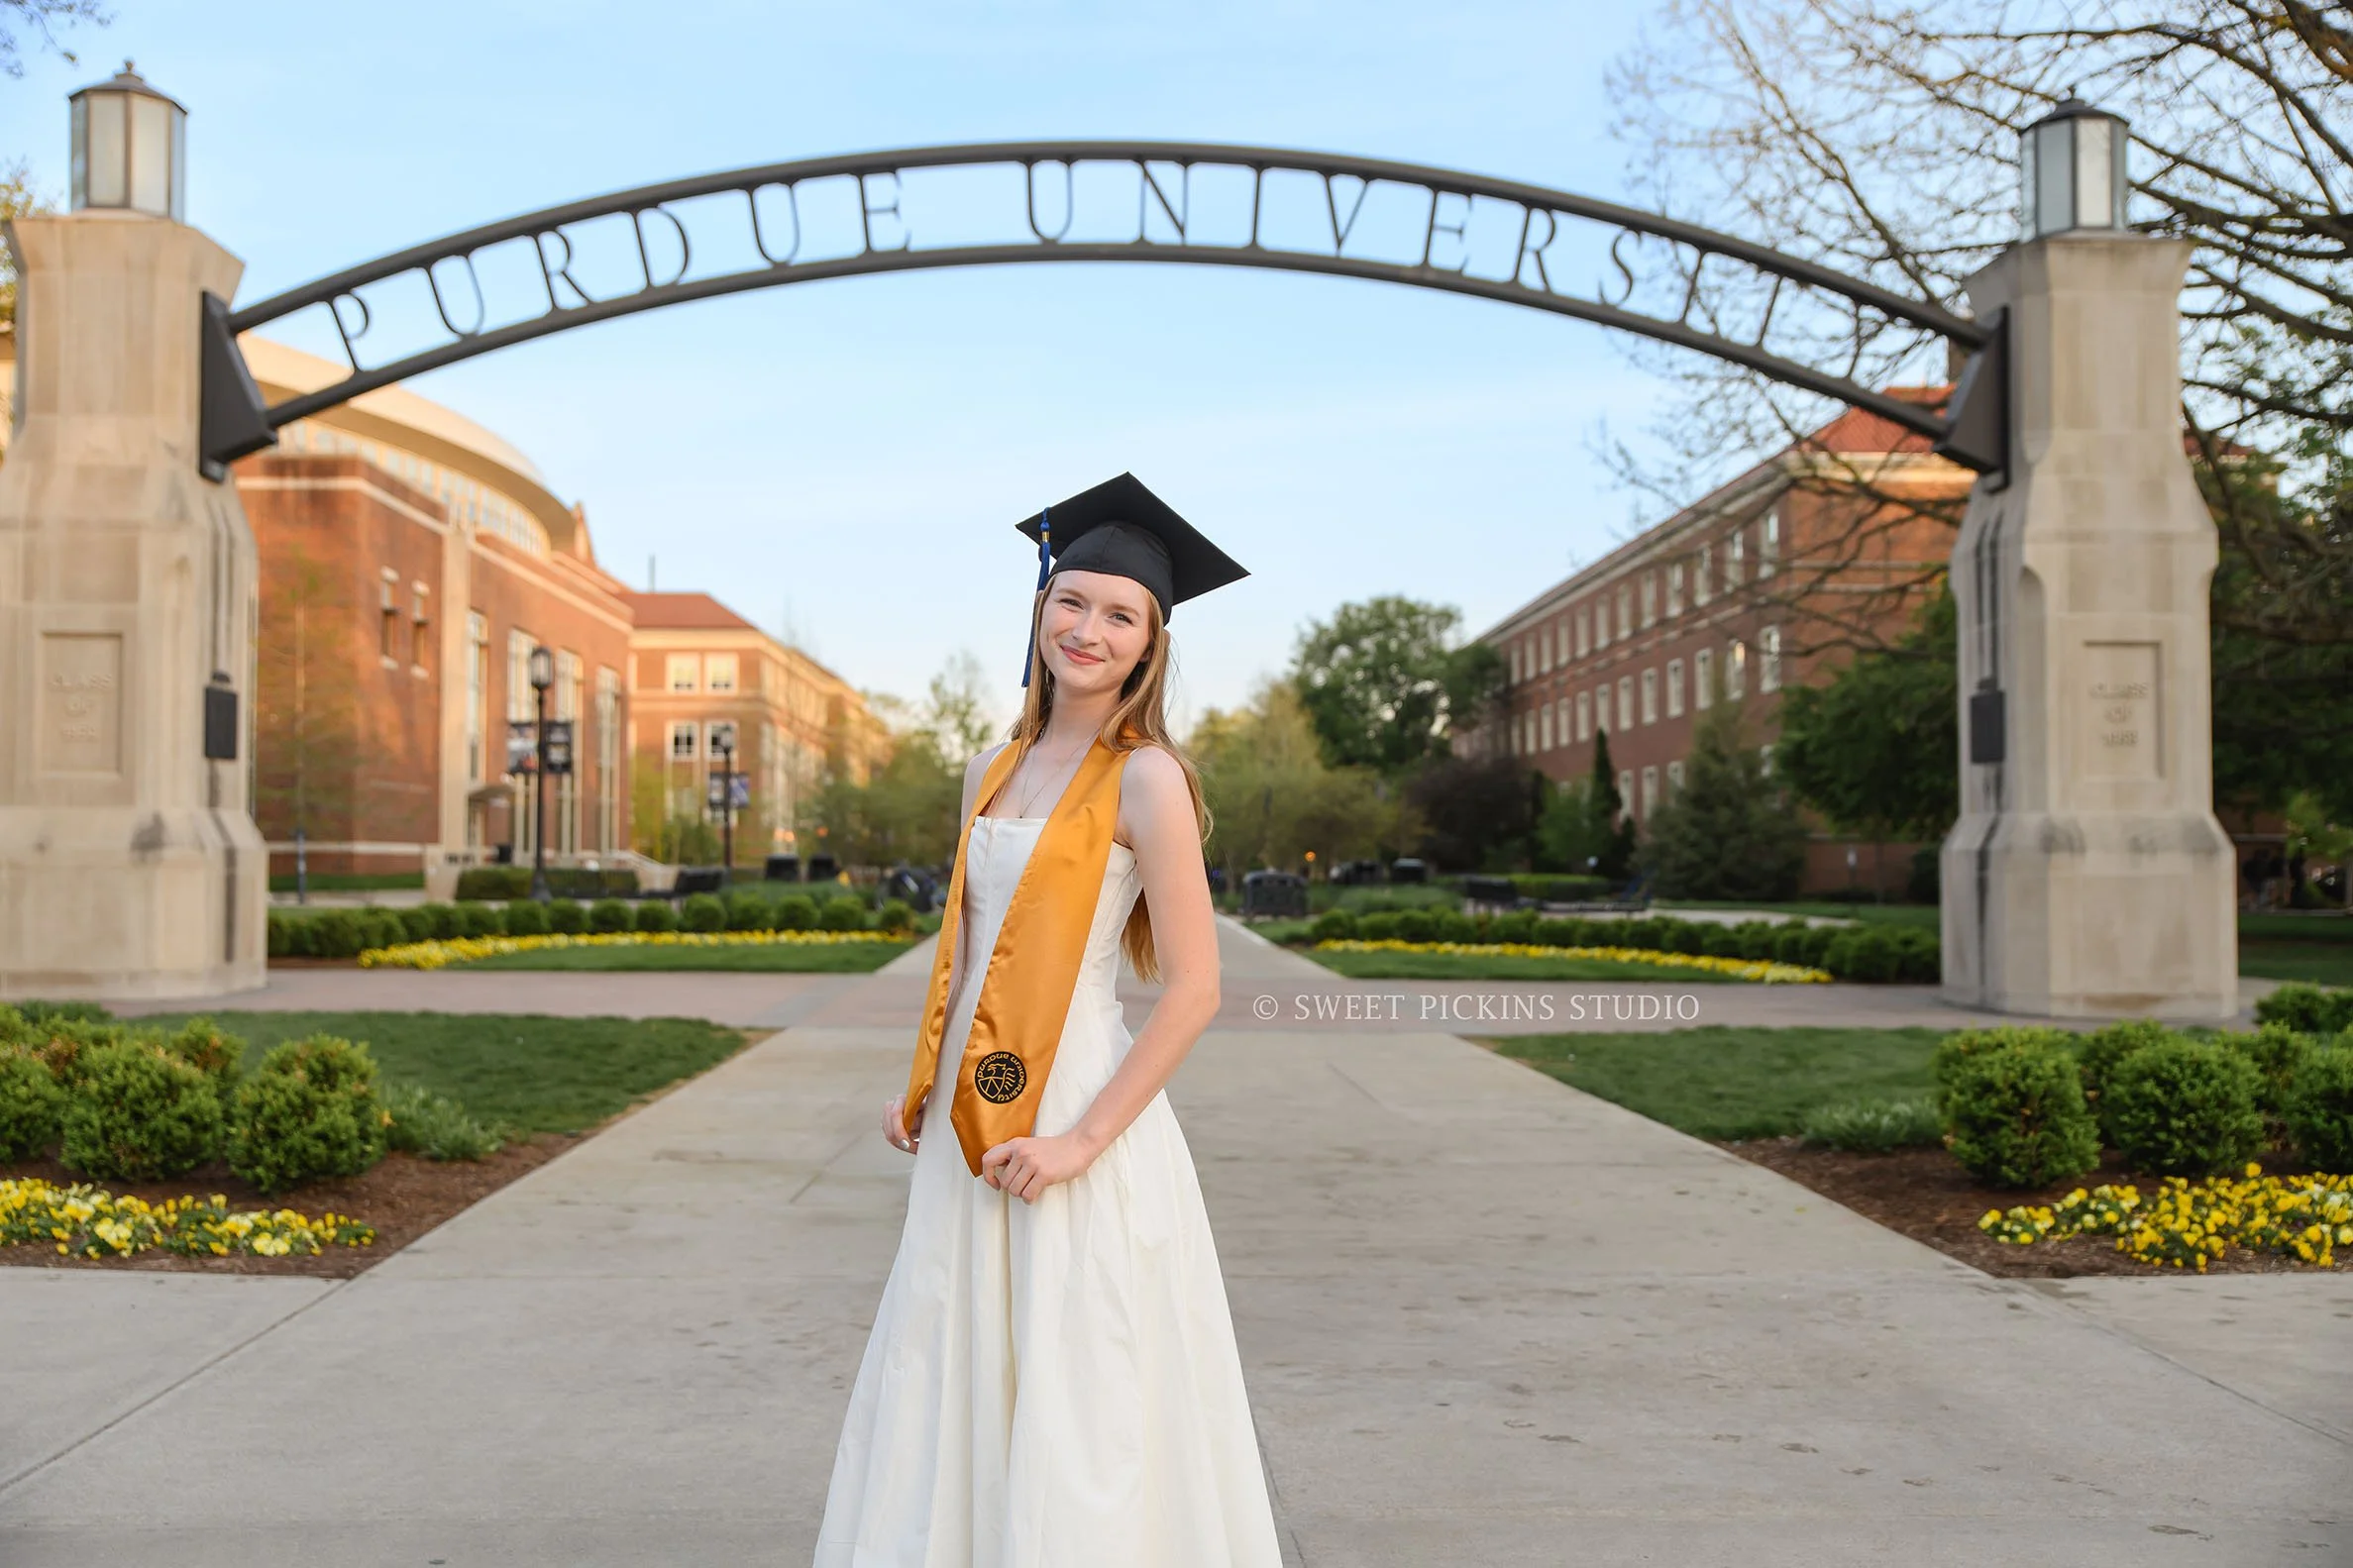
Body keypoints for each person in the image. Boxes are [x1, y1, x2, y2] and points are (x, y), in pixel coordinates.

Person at [813, 473, 1284, 1567]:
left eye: (1119, 614)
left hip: (1079, 1111)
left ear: (1149, 644)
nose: (1088, 628)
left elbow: (1197, 987)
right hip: (969, 1117)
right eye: (1071, 601)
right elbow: (972, 951)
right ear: (1038, 607)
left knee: (1083, 1374)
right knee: (952, 1346)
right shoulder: (990, 766)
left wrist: (1080, 1138)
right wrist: (923, 1079)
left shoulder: (1148, 780)